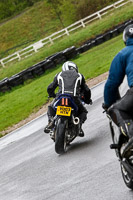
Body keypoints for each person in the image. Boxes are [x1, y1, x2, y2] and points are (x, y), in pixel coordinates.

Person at [103, 24, 133, 158]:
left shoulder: (123, 54)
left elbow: (111, 85)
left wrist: (110, 103)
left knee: (116, 108)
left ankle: (131, 135)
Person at [44, 61, 92, 137]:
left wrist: (52, 95)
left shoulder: (59, 75)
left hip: (60, 97)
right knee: (84, 111)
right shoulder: (79, 76)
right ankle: (79, 126)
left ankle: (51, 121)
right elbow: (86, 90)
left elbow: (50, 88)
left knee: (50, 107)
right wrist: (88, 100)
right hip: (74, 98)